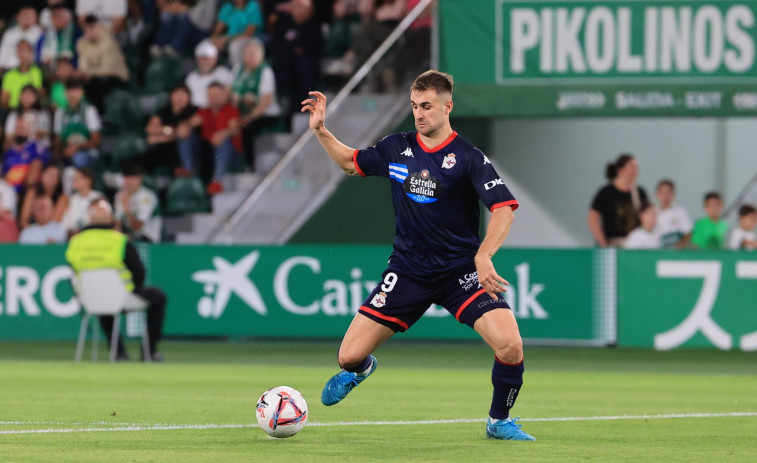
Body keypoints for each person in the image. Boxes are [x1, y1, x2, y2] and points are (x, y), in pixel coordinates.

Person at [300, 70, 534, 441]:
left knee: (510, 344)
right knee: (347, 358)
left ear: (447, 106)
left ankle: (498, 420)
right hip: (408, 271)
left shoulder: (469, 158)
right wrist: (320, 130)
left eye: (426, 106)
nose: (419, 114)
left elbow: (504, 208)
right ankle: (362, 371)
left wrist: (484, 256)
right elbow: (351, 162)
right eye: (414, 106)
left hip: (460, 272)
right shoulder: (397, 147)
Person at [66, 199, 167, 362]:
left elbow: (71, 275)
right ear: (110, 219)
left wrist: (83, 295)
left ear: (90, 219)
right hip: (123, 297)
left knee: (102, 301)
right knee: (158, 297)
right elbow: (139, 273)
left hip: (91, 300)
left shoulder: (76, 242)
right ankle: (149, 351)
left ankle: (118, 352)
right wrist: (132, 288)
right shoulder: (119, 240)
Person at [270, 0, 322, 125]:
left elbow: (314, 48)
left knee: (304, 66)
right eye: (296, 7)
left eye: (302, 7)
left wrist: (296, 48)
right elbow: (277, 45)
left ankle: (300, 105)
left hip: (304, 68)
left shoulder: (314, 26)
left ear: (310, 10)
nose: (298, 10)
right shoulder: (284, 24)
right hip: (285, 66)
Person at [232, 39, 281, 170]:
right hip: (242, 112)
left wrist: (250, 116)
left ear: (261, 55)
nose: (250, 57)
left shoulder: (266, 72)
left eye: (253, 54)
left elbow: (266, 100)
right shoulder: (238, 69)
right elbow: (232, 92)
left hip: (265, 114)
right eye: (247, 54)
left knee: (247, 128)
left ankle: (250, 166)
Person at [190, 82, 242, 194]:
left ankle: (217, 181)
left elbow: (234, 129)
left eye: (217, 94)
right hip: (209, 153)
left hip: (230, 155)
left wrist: (223, 132)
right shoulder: (204, 112)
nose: (213, 98)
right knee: (188, 137)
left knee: (223, 141)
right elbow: (190, 124)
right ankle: (187, 172)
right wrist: (186, 126)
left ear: (225, 95)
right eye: (211, 95)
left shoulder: (231, 110)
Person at [588, 154, 648, 247]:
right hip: (612, 243)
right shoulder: (606, 192)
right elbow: (592, 218)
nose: (635, 171)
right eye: (631, 167)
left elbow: (647, 215)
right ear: (620, 170)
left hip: (636, 244)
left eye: (636, 168)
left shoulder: (640, 192)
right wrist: (602, 241)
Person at [76, 15, 129, 113]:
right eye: (88, 27)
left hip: (116, 76)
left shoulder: (108, 41)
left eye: (93, 27)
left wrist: (88, 73)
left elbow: (107, 69)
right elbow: (83, 66)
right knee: (79, 83)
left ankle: (102, 117)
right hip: (94, 77)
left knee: (97, 84)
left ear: (98, 26)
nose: (91, 31)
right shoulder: (82, 43)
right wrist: (84, 73)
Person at [144, 84, 199, 176]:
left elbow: (183, 132)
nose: (179, 97)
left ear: (189, 97)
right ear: (171, 96)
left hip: (191, 147)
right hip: (169, 147)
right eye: (177, 94)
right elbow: (150, 128)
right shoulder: (164, 111)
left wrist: (161, 136)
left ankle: (187, 170)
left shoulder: (194, 110)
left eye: (183, 94)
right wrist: (168, 130)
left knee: (182, 140)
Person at [53, 78, 102, 167]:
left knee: (78, 158)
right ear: (65, 93)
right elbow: (58, 138)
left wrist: (77, 146)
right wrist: (59, 154)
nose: (73, 94)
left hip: (87, 152)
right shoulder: (60, 112)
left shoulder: (89, 110)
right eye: (70, 90)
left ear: (81, 93)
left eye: (76, 90)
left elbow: (96, 139)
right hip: (67, 151)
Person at [114, 162, 162, 243]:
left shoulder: (147, 197)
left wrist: (126, 209)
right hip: (129, 236)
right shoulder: (120, 195)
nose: (129, 183)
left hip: (149, 238)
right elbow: (117, 223)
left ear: (139, 179)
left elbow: (138, 226)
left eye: (132, 179)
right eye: (126, 178)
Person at [211, 0, 263, 67]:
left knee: (234, 46)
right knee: (206, 43)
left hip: (250, 39)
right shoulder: (228, 6)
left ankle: (236, 72)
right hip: (230, 38)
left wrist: (227, 39)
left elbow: (249, 33)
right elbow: (218, 28)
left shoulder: (253, 6)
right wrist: (214, 38)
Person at [2, 119, 49, 193]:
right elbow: (5, 173)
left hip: (28, 189)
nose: (21, 131)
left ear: (29, 131)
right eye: (18, 128)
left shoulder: (34, 146)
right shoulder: (9, 152)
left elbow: (40, 165)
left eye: (23, 128)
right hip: (9, 189)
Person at [185, 40, 233, 109]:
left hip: (215, 111)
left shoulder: (223, 73)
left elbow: (228, 94)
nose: (204, 62)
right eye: (201, 59)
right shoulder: (191, 77)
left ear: (215, 59)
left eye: (207, 59)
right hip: (193, 111)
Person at [19, 162, 68, 229]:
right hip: (31, 231)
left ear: (59, 180)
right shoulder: (32, 192)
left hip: (50, 234)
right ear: (42, 175)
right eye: (48, 174)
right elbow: (24, 219)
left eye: (55, 176)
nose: (51, 178)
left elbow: (55, 222)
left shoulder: (62, 197)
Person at [4, 85, 51, 151]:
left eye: (30, 95)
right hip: (17, 150)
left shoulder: (42, 114)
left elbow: (41, 135)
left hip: (38, 151)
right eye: (25, 94)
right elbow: (8, 137)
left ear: (36, 97)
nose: (27, 97)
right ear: (20, 96)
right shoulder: (14, 115)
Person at [1, 41, 44, 110]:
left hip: (31, 110)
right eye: (19, 49)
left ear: (31, 53)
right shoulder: (9, 75)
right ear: (17, 53)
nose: (22, 52)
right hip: (13, 110)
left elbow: (38, 95)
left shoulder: (37, 72)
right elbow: (4, 100)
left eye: (24, 49)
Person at [61, 166, 104, 235]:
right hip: (75, 236)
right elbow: (66, 223)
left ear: (88, 180)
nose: (74, 181)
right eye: (74, 178)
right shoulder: (73, 199)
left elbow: (103, 221)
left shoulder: (98, 197)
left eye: (77, 178)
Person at [0, 7, 43, 72]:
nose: (26, 17)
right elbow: (2, 54)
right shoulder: (9, 33)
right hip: (7, 70)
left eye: (29, 15)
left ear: (36, 17)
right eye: (24, 15)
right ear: (18, 17)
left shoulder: (40, 33)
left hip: (30, 69)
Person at [654, 179, 692, 249]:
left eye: (668, 192)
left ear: (673, 195)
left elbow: (688, 233)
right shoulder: (652, 212)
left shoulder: (680, 211)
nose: (665, 196)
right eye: (663, 192)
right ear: (657, 194)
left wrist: (680, 245)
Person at [38, 4, 78, 68]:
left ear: (67, 16)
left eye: (60, 16)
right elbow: (38, 57)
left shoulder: (75, 33)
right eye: (55, 16)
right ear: (51, 18)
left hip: (70, 70)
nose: (57, 19)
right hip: (50, 72)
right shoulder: (44, 36)